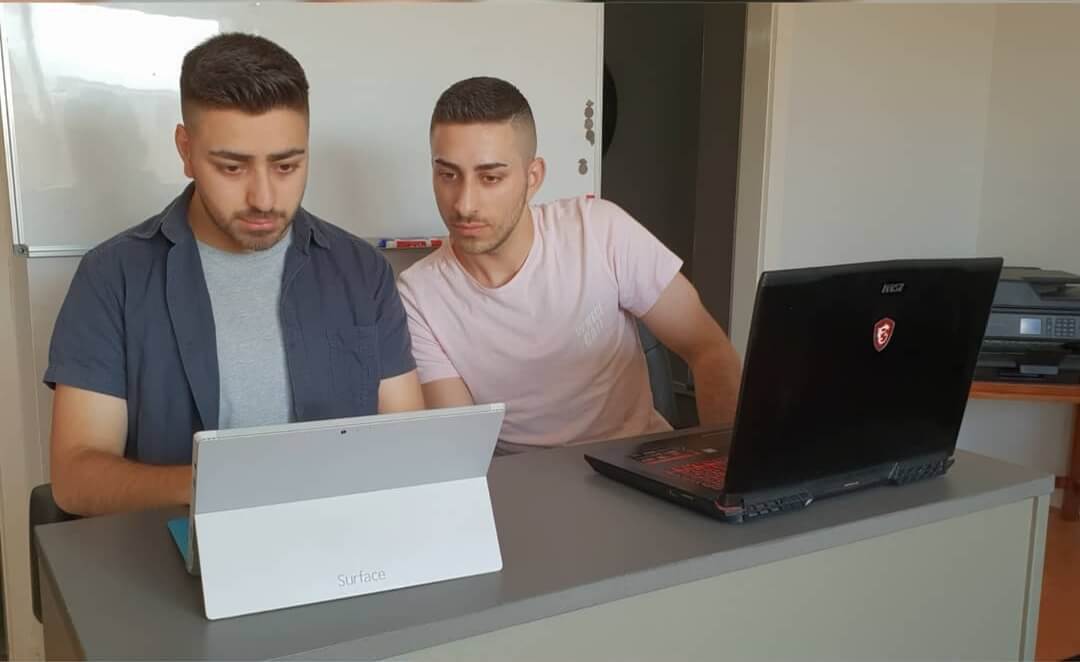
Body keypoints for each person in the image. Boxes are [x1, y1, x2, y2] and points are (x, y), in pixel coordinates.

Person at [45, 33, 423, 516]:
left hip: (344, 535)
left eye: (286, 166)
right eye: (232, 167)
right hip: (177, 545)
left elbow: (407, 445)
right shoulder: (112, 277)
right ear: (186, 150)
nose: (263, 198)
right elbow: (76, 478)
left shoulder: (362, 271)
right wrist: (234, 484)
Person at [397, 76, 741, 454]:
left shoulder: (599, 230)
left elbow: (708, 349)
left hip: (636, 464)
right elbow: (462, 445)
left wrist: (723, 471)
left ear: (533, 178)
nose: (464, 204)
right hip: (522, 480)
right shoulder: (418, 295)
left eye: (490, 178)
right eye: (448, 175)